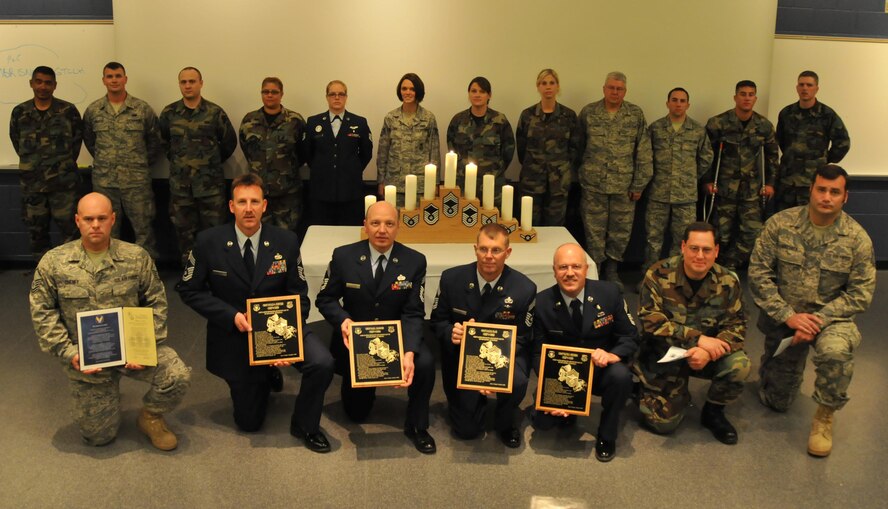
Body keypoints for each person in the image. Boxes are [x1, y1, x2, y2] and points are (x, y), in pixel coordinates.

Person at [176, 174, 334, 452]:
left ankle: (305, 425)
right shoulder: (208, 242)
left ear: (265, 206)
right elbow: (189, 290)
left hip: (279, 327)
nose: (248, 208)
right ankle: (265, 377)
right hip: (236, 332)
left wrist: (287, 342)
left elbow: (298, 292)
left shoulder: (285, 241)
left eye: (254, 202)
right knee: (249, 422)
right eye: (242, 202)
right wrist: (230, 315)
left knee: (321, 362)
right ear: (231, 206)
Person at [29, 192, 191, 450]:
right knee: (98, 438)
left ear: (113, 219)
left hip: (133, 348)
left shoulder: (136, 257)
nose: (95, 225)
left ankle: (150, 417)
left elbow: (156, 302)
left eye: (102, 218)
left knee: (176, 375)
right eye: (89, 219)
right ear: (77, 221)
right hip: (87, 358)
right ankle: (106, 398)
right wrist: (69, 352)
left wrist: (145, 347)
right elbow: (42, 310)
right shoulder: (54, 262)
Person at [749, 164, 875, 457]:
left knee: (835, 353)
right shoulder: (781, 225)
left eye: (834, 192)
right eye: (821, 189)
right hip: (785, 317)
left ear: (845, 197)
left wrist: (816, 321)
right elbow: (758, 275)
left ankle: (824, 417)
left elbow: (860, 294)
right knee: (776, 400)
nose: (826, 197)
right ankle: (772, 369)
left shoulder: (857, 239)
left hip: (831, 320)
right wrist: (788, 315)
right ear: (811, 190)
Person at [315, 201, 436, 454]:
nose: (382, 230)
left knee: (424, 363)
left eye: (389, 224)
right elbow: (325, 299)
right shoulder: (343, 256)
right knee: (356, 413)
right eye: (375, 223)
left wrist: (409, 351)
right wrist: (344, 321)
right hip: (356, 344)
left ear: (398, 227)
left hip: (398, 339)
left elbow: (413, 311)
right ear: (365, 226)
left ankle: (417, 426)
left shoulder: (414, 261)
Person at [633, 222, 750, 444]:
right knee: (663, 425)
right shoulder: (657, 274)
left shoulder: (728, 281)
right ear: (683, 247)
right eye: (694, 248)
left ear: (716, 251)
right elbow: (651, 322)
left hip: (707, 354)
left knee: (739, 365)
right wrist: (698, 340)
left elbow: (738, 325)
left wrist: (707, 351)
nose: (700, 255)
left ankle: (713, 411)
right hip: (665, 354)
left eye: (707, 250)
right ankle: (644, 387)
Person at [431, 224, 536, 448]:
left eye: (496, 250)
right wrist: (452, 332)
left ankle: (506, 420)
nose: (489, 256)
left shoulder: (524, 288)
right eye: (483, 249)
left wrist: (494, 371)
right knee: (467, 431)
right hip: (462, 359)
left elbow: (523, 338)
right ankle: (468, 406)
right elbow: (437, 321)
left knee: (517, 380)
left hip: (503, 359)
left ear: (507, 253)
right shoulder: (452, 279)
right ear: (475, 249)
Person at [531, 243, 638, 462]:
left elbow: (630, 336)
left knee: (621, 377)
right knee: (543, 424)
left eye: (575, 266)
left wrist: (612, 355)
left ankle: (607, 435)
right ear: (554, 271)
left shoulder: (609, 293)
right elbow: (537, 353)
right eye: (563, 267)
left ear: (586, 269)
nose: (569, 273)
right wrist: (554, 394)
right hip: (562, 377)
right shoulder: (542, 303)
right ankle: (569, 409)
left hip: (600, 370)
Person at [577, 71, 652, 289]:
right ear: (604, 89)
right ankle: (595, 270)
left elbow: (643, 152)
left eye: (619, 89)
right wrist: (580, 176)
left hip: (624, 187)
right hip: (593, 186)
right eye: (611, 87)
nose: (615, 92)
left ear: (625, 91)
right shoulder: (589, 113)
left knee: (620, 233)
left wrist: (639, 184)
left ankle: (612, 271)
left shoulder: (635, 115)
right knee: (593, 232)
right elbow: (578, 147)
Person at [82, 62, 162, 259]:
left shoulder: (142, 109)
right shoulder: (94, 110)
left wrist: (138, 164)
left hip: (137, 183)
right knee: (105, 231)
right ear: (104, 81)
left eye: (118, 76)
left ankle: (146, 273)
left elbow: (154, 142)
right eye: (109, 76)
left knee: (144, 231)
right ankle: (109, 272)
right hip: (105, 183)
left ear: (125, 79)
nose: (114, 80)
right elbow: (90, 142)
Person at [159, 67, 237, 265]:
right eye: (183, 82)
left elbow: (229, 142)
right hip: (181, 189)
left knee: (215, 233)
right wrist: (180, 162)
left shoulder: (214, 112)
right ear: (179, 85)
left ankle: (216, 274)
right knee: (184, 235)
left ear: (201, 83)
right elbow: (162, 142)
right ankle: (190, 275)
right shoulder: (169, 113)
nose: (187, 85)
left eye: (192, 81)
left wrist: (209, 163)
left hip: (210, 187)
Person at [9, 65, 82, 262]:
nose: (43, 86)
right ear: (31, 83)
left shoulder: (68, 111)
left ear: (55, 85)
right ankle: (44, 275)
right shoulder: (20, 112)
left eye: (48, 83)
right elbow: (17, 142)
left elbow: (76, 143)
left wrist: (61, 165)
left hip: (63, 185)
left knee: (70, 232)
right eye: (39, 82)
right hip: (32, 185)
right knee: (36, 233)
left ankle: (71, 273)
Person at [703, 80, 779, 270]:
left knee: (753, 233)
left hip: (751, 190)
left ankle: (732, 263)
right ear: (735, 97)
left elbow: (772, 157)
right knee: (720, 233)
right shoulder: (718, 123)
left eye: (751, 94)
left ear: (755, 98)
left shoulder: (764, 126)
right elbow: (706, 156)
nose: (747, 98)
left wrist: (770, 184)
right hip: (723, 188)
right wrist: (707, 181)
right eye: (743, 94)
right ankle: (716, 267)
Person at [644, 87, 713, 276]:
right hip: (659, 193)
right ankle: (650, 277)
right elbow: (645, 156)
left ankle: (676, 277)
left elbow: (706, 157)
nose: (678, 104)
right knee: (653, 239)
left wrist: (690, 176)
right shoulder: (655, 128)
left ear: (688, 105)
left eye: (682, 101)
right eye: (674, 100)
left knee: (682, 240)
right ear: (667, 103)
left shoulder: (697, 130)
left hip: (686, 195)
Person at [239, 77, 308, 232]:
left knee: (287, 237)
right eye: (266, 92)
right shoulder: (249, 120)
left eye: (274, 92)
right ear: (261, 94)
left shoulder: (295, 121)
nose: (270, 95)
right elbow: (246, 149)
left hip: (288, 192)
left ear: (281, 94)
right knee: (259, 235)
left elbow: (304, 152)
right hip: (258, 191)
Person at [775, 71, 851, 211]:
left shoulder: (827, 114)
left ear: (816, 88)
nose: (805, 88)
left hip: (814, 182)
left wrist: (825, 159)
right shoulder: (786, 113)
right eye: (801, 84)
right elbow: (781, 140)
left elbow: (843, 142)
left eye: (809, 85)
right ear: (797, 87)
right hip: (787, 182)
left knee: (812, 223)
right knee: (785, 223)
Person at [515, 69, 581, 226]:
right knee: (529, 226)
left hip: (558, 183)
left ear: (558, 87)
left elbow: (575, 148)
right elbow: (521, 149)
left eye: (552, 83)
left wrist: (560, 168)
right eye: (544, 83)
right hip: (532, 182)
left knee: (555, 228)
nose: (548, 87)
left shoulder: (569, 116)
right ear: (538, 87)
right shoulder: (528, 115)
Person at [304, 80, 373, 226]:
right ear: (327, 97)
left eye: (341, 94)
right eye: (332, 94)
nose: (337, 97)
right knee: (321, 235)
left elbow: (366, 153)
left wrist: (351, 168)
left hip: (350, 191)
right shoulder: (313, 122)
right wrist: (322, 167)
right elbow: (307, 153)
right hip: (321, 192)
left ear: (346, 97)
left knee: (349, 235)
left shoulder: (359, 122)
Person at [446, 76, 515, 206]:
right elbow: (452, 148)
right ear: (469, 94)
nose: (477, 95)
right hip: (464, 184)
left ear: (489, 95)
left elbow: (508, 150)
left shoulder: (499, 120)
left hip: (493, 185)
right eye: (474, 91)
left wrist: (495, 170)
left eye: (482, 91)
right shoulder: (458, 120)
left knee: (492, 223)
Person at [376, 73, 441, 207]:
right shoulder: (391, 118)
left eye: (412, 89)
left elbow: (434, 153)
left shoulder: (428, 118)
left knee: (418, 225)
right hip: (394, 184)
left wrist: (435, 183)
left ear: (418, 91)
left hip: (421, 186)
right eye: (404, 89)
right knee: (393, 222)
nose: (408, 92)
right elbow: (383, 152)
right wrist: (381, 181)